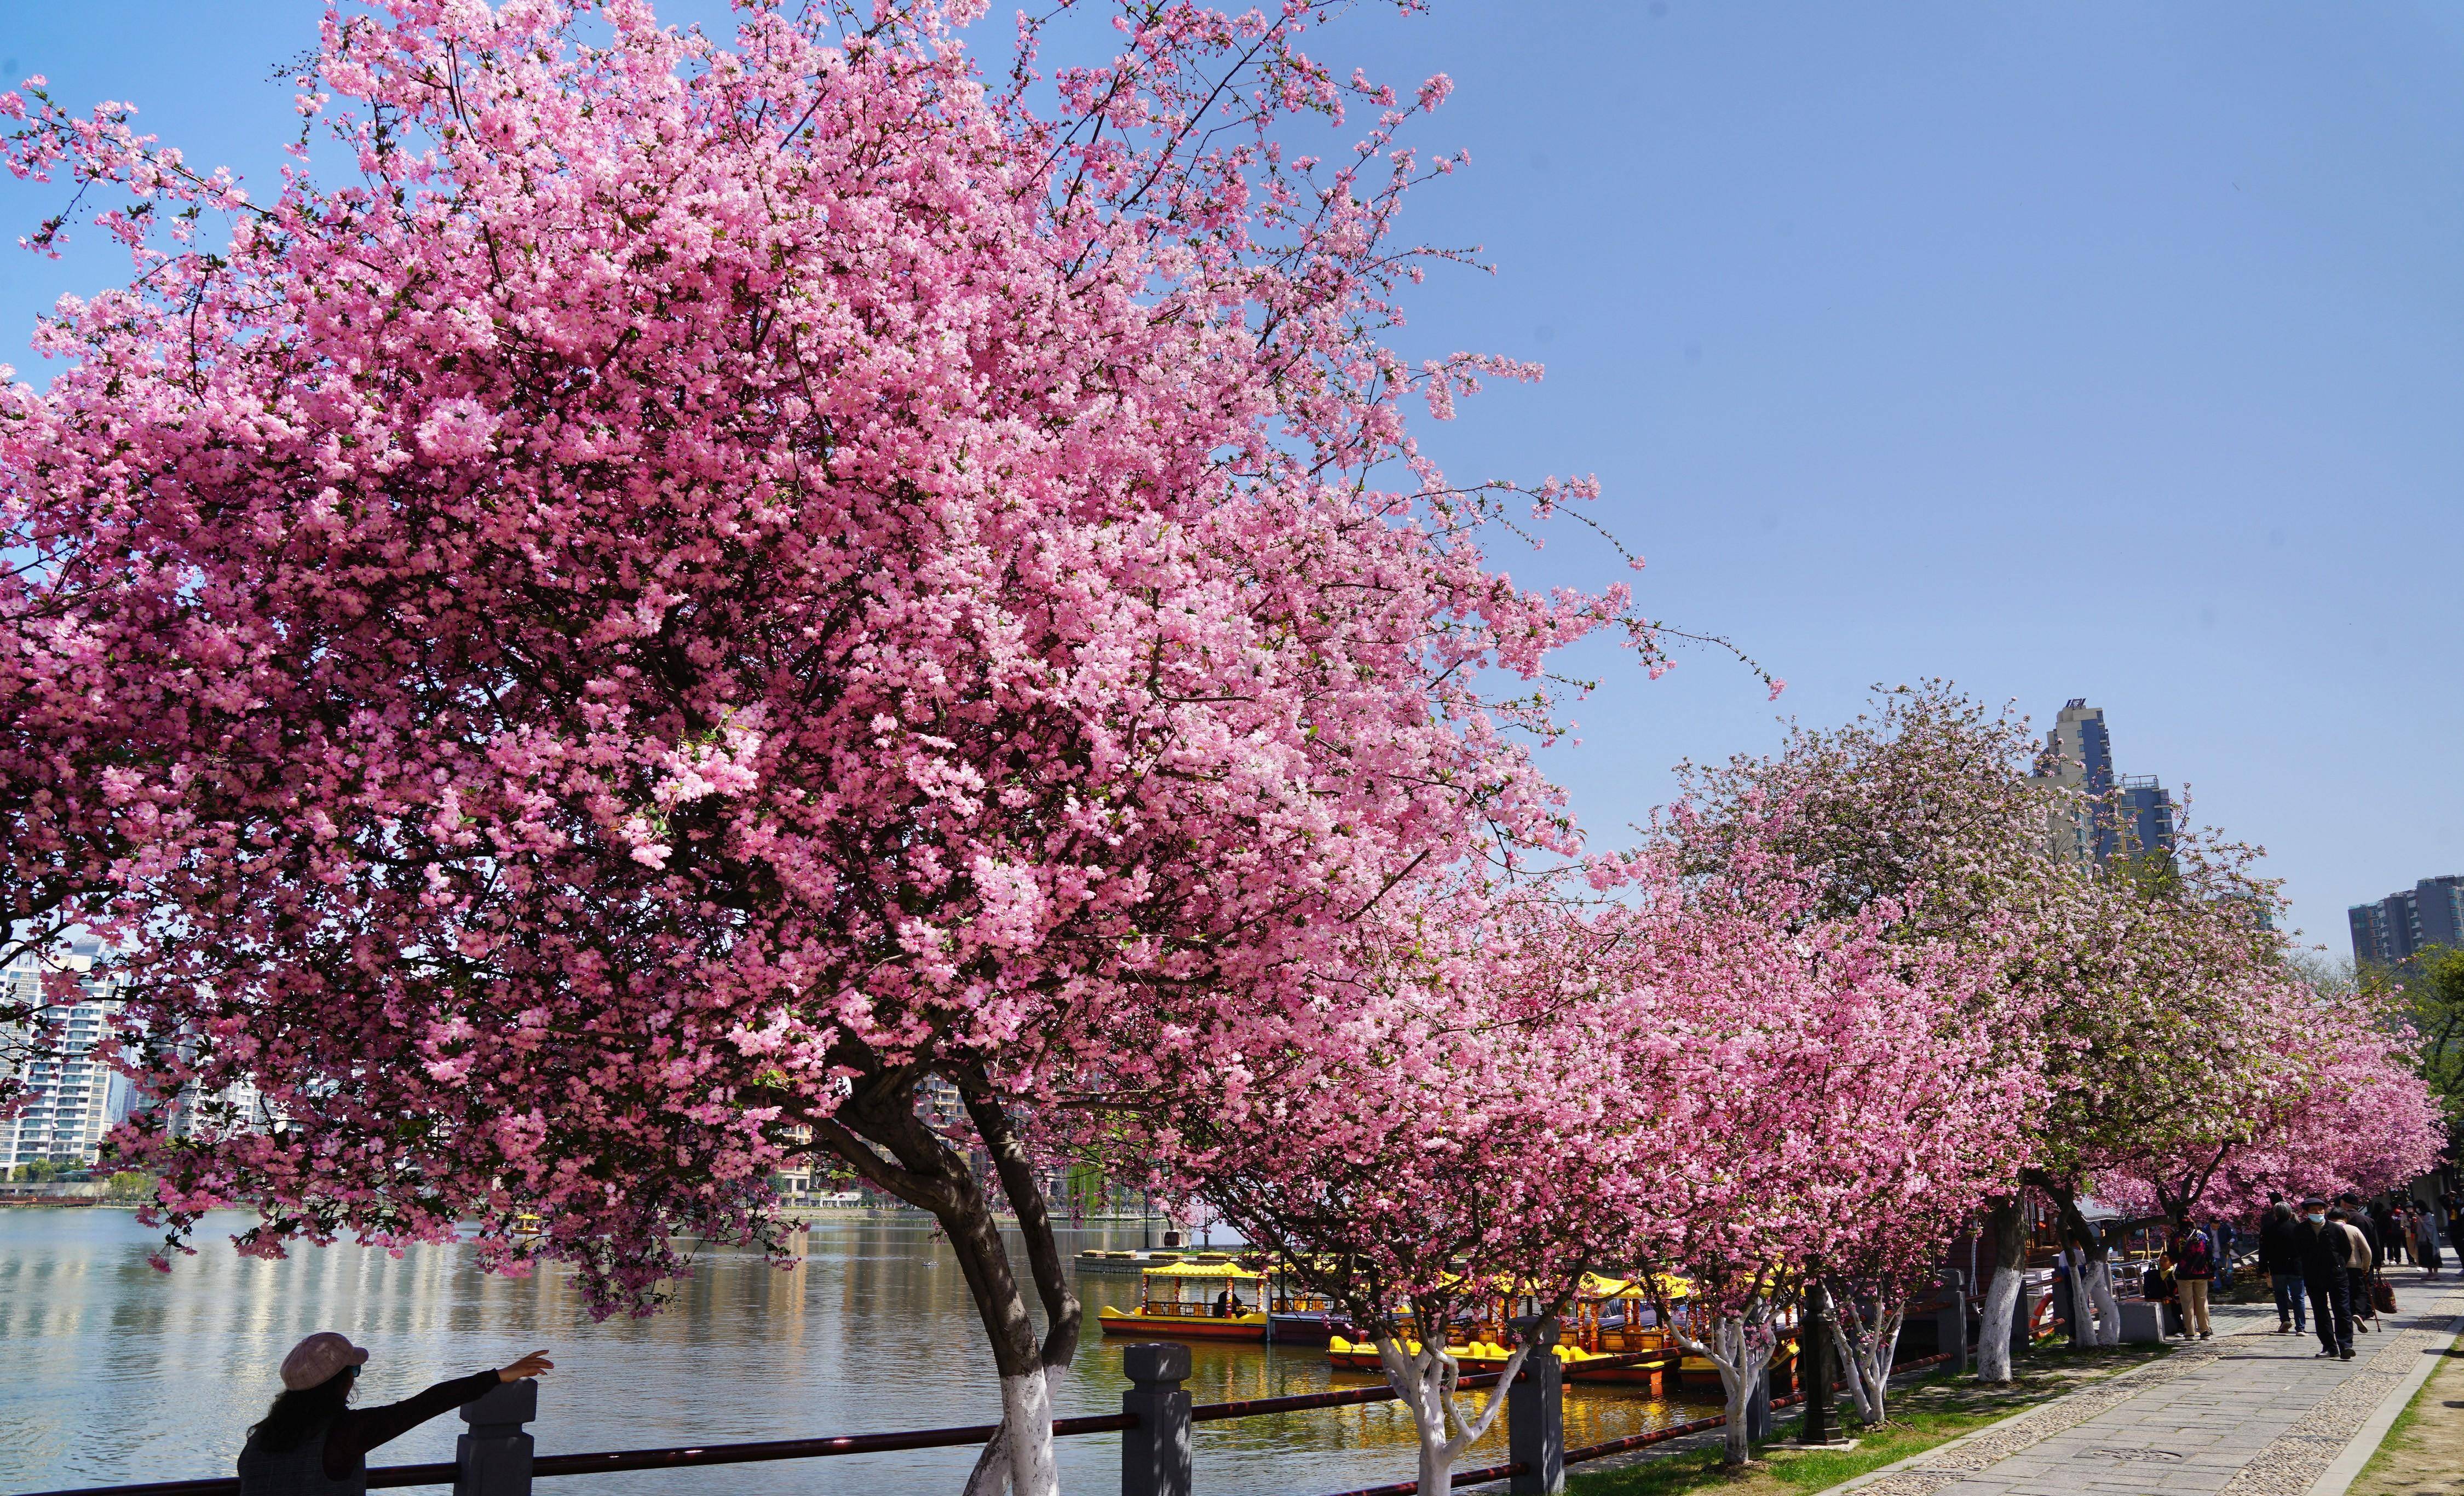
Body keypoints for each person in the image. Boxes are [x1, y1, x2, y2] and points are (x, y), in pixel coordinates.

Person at [238, 1335, 552, 1495]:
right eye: (354, 1371)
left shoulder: (261, 1437)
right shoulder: (347, 1432)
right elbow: (425, 1405)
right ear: (341, 1380)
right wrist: (498, 1376)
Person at [2298, 1199, 2354, 1360]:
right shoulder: (2301, 1230)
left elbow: (2346, 1250)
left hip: (2337, 1275)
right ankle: (2329, 1347)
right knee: (2321, 1312)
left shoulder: (2335, 1229)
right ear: (2307, 1212)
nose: (2318, 1212)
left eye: (2320, 1209)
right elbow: (2298, 1252)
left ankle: (2346, 1346)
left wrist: (2339, 1266)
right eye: (2314, 1210)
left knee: (2342, 1310)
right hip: (2314, 1276)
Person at [2340, 1193, 2384, 1333]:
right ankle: (2367, 1311)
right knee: (2366, 1285)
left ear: (2344, 1203)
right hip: (2365, 1259)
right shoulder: (2367, 1220)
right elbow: (2375, 1243)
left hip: (2345, 1260)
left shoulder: (2339, 1222)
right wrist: (2378, 1261)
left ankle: (2352, 1310)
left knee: (2348, 1286)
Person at [2260, 1201, 2305, 1335]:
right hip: (2296, 1267)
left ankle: (2285, 1319)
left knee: (2280, 1295)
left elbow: (2263, 1250)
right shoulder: (2298, 1228)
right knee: (2298, 1297)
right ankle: (2300, 1327)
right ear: (2290, 1213)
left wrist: (2263, 1268)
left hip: (2277, 1267)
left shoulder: (2268, 1229)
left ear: (2276, 1214)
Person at [2169, 1224, 2215, 1340]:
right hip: (2201, 1273)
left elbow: (2172, 1257)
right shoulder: (2203, 1236)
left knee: (2187, 1303)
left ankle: (2190, 1332)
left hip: (2184, 1274)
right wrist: (2212, 1272)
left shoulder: (2178, 1237)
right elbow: (2210, 1254)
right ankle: (2205, 1331)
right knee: (2202, 1302)